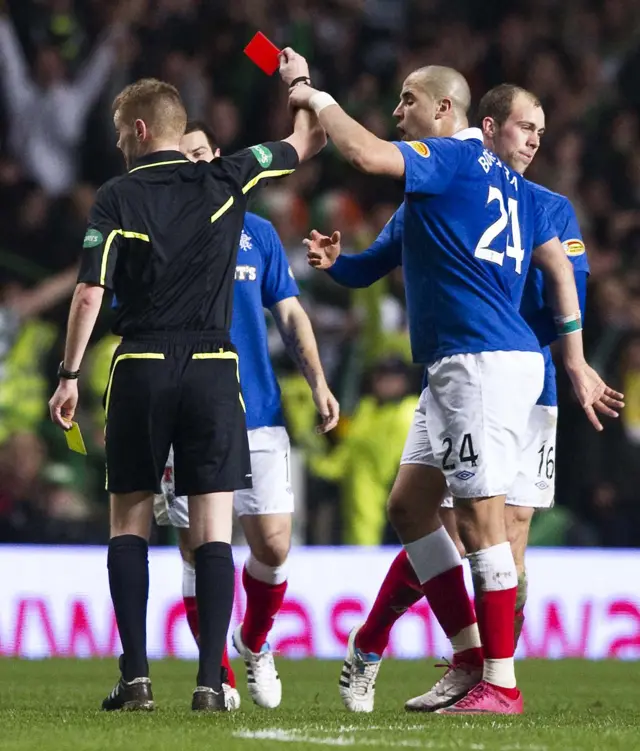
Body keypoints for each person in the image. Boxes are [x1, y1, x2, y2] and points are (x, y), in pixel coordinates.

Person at [280, 51, 622, 715]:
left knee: (487, 524)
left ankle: (499, 680)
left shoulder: (461, 163)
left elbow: (367, 155)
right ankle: (470, 657)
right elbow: (544, 263)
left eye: (408, 99)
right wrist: (336, 262)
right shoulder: (471, 190)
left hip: (491, 364)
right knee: (412, 507)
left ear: (449, 111)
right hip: (460, 366)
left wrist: (314, 98)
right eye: (526, 126)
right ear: (495, 127)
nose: (397, 110)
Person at [48, 74, 326, 712]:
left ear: (141, 130)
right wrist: (301, 84)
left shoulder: (117, 195)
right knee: (212, 531)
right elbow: (308, 140)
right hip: (210, 366)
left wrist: (67, 376)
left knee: (130, 523)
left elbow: (90, 292)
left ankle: (138, 678)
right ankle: (211, 683)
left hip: (142, 362)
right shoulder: (229, 177)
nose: (119, 146)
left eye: (122, 134)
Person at [154, 120, 339, 710]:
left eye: (207, 153)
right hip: (187, 414)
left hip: (258, 411)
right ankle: (219, 677)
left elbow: (290, 315)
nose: (201, 163)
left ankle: (254, 643)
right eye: (187, 156)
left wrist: (318, 383)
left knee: (275, 546)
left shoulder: (256, 233)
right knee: (199, 548)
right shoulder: (159, 235)